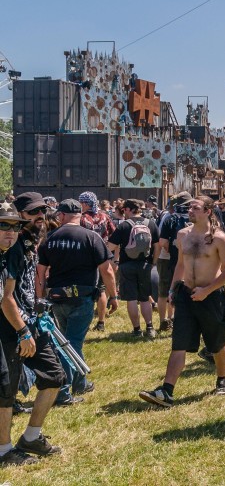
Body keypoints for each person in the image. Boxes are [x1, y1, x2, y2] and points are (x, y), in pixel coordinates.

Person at [139, 196, 225, 408]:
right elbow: (181, 265)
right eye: (189, 207)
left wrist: (207, 291)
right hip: (186, 295)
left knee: (217, 343)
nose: (190, 210)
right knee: (179, 344)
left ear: (208, 211)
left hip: (212, 297)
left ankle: (222, 380)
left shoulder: (219, 238)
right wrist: (173, 289)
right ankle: (167, 391)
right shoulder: (183, 235)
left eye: (195, 208)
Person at [0, 203, 66, 465]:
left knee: (54, 376)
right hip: (12, 328)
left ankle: (30, 437)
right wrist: (23, 331)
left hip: (28, 323)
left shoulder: (20, 247)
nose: (10, 231)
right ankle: (4, 451)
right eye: (4, 225)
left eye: (14, 226)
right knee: (6, 389)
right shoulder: (12, 251)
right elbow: (6, 299)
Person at [36, 199, 117, 406]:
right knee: (70, 344)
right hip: (81, 298)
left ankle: (80, 383)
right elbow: (107, 270)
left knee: (67, 342)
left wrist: (39, 298)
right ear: (80, 215)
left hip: (56, 298)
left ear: (62, 215)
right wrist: (113, 296)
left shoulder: (49, 238)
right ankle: (62, 392)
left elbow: (40, 273)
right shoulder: (91, 237)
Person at [108, 199, 160, 339]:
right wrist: (153, 262)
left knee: (131, 299)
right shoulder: (150, 223)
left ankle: (137, 330)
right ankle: (150, 327)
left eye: (124, 210)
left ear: (128, 209)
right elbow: (157, 246)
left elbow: (111, 246)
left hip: (127, 265)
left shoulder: (124, 226)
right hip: (145, 265)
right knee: (145, 298)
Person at [77, 192, 114, 333]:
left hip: (85, 258)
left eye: (81, 203)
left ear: (85, 204)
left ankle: (84, 321)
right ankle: (101, 322)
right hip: (102, 256)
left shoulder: (82, 218)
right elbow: (114, 233)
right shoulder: (105, 216)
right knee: (101, 290)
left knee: (85, 289)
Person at [156, 193, 191, 332]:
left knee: (164, 291)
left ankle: (163, 320)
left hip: (169, 259)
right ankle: (175, 318)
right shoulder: (197, 218)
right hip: (193, 261)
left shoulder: (169, 218)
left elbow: (162, 241)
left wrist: (172, 250)